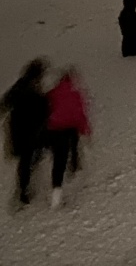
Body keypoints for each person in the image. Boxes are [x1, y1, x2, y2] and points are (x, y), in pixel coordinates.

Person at [3, 59, 48, 206]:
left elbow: (4, 103)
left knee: (26, 160)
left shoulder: (20, 87)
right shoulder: (33, 90)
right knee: (27, 160)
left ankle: (23, 189)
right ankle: (23, 191)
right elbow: (43, 110)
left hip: (20, 131)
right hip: (29, 132)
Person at [44, 68, 89, 208]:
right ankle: (74, 162)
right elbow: (79, 113)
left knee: (58, 162)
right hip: (69, 129)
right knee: (72, 145)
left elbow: (46, 110)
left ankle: (56, 194)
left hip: (54, 130)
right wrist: (85, 129)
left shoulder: (52, 93)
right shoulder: (75, 94)